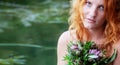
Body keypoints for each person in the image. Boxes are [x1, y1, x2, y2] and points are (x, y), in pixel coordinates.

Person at [57, 0, 120, 65]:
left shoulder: (117, 45)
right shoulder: (66, 39)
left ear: (111, 13)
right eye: (88, 3)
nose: (92, 14)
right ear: (79, 5)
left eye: (101, 7)